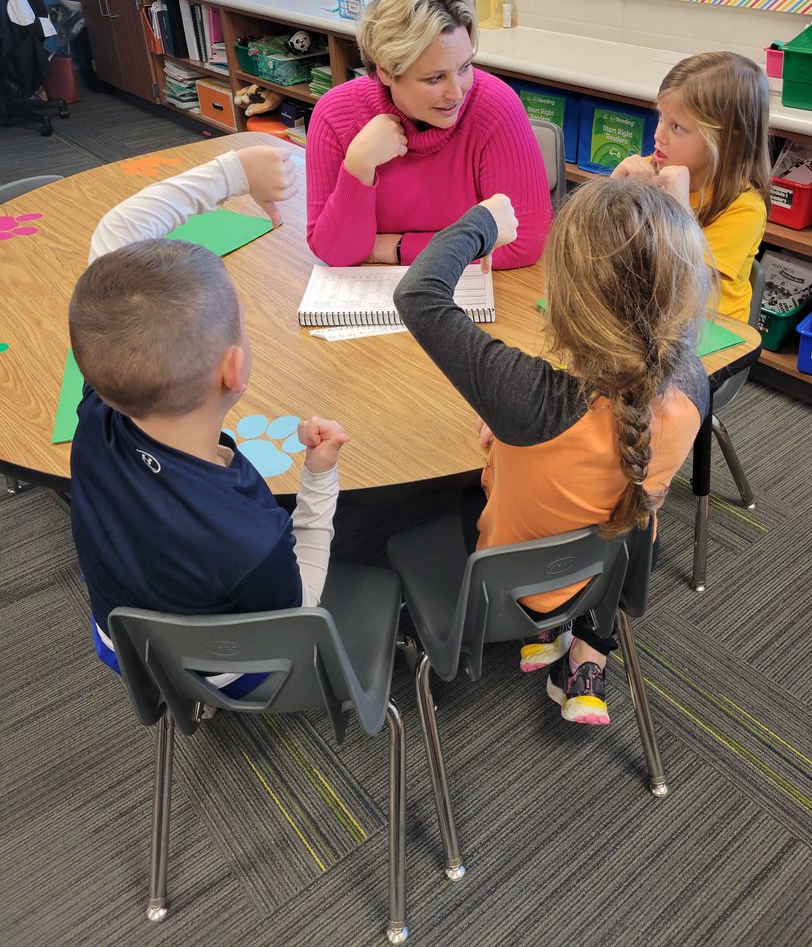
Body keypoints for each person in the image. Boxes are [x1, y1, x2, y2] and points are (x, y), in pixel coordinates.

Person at [393, 179, 712, 726]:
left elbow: (417, 294)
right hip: (617, 568)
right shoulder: (693, 383)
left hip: (513, 589)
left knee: (418, 516)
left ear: (562, 301)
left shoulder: (531, 398)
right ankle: (580, 648)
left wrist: (484, 221)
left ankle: (545, 627)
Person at [68, 143, 349, 689]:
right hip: (225, 671)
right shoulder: (251, 538)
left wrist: (231, 174)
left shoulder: (96, 414)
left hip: (120, 644)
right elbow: (298, 609)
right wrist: (318, 479)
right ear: (235, 369)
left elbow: (116, 234)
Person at [305, 0, 552, 269]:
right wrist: (359, 164)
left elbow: (523, 242)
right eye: (434, 78)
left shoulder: (496, 107)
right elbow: (335, 253)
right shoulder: (335, 116)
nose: (456, 93)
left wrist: (396, 248)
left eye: (464, 67)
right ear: (385, 72)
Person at [612, 51, 771, 321]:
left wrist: (677, 205)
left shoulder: (744, 208)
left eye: (677, 127)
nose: (658, 135)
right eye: (661, 117)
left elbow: (683, 286)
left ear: (726, 139)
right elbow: (601, 249)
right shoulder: (654, 168)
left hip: (708, 333)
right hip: (648, 316)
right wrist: (613, 190)